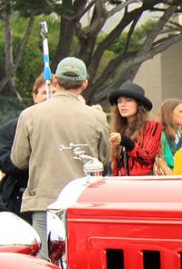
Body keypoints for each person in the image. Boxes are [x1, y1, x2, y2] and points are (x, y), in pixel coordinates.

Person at [10, 58, 111, 257]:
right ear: (84, 84)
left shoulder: (30, 115)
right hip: (82, 203)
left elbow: (18, 159)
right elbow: (104, 158)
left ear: (55, 81)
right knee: (80, 262)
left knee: (46, 266)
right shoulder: (97, 117)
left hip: (45, 200)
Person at [0, 75, 47, 225]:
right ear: (35, 96)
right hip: (21, 198)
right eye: (44, 93)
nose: (49, 97)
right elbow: (5, 163)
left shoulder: (64, 129)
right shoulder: (10, 130)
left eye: (54, 93)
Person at [108, 82, 162, 177]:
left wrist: (126, 142)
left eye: (128, 100)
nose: (122, 105)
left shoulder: (152, 126)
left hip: (145, 183)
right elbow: (115, 165)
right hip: (122, 184)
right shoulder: (119, 128)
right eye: (119, 101)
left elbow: (147, 157)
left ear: (139, 104)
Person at [156, 98, 182, 174]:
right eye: (180, 112)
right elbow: (169, 161)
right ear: (169, 113)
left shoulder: (181, 134)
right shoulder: (161, 136)